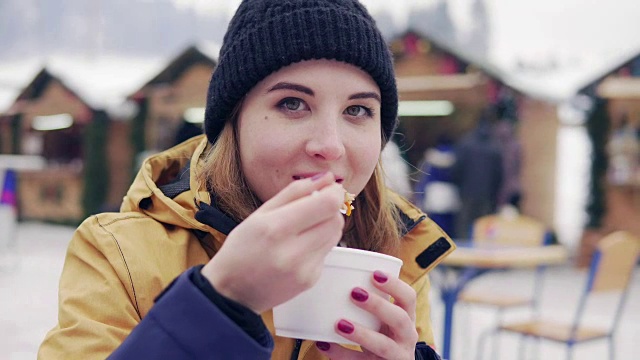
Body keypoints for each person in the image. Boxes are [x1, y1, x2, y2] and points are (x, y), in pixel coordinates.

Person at [38, 1, 455, 359]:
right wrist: (220, 302)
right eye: (292, 103)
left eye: (358, 110)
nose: (330, 146)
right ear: (233, 124)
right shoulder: (118, 254)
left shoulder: (396, 260)